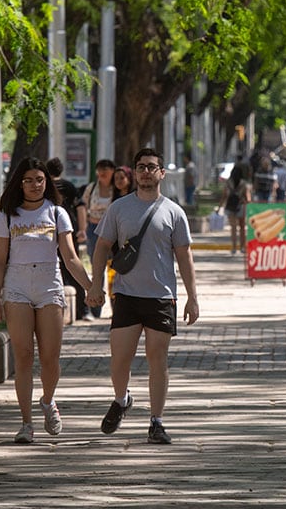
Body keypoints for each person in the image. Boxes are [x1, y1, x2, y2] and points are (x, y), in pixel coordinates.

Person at [87, 147, 199, 445]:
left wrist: (192, 297)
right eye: (141, 167)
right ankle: (122, 399)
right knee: (119, 360)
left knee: (157, 359)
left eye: (151, 167)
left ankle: (157, 421)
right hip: (125, 294)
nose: (146, 172)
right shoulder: (119, 208)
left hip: (161, 297)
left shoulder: (174, 212)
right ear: (134, 173)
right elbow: (101, 247)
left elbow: (185, 257)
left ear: (162, 172)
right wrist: (95, 284)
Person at [0, 156, 94, 444]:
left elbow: (70, 257)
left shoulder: (58, 213)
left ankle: (48, 401)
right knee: (23, 357)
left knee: (50, 357)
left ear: (47, 182)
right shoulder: (7, 216)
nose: (34, 185)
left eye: (39, 180)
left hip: (49, 284)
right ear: (19, 184)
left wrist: (89, 287)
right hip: (17, 286)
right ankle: (26, 424)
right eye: (28, 180)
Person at [75, 158, 117, 320]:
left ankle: (116, 306)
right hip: (94, 230)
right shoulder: (92, 188)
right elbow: (83, 206)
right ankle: (96, 307)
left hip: (112, 231)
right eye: (99, 173)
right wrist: (83, 228)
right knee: (97, 266)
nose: (102, 176)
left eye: (105, 173)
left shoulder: (117, 190)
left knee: (115, 268)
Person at [46, 157, 87, 321]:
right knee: (73, 265)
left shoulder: (45, 187)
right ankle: (82, 310)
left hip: (48, 231)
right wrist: (82, 229)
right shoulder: (69, 186)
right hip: (69, 230)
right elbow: (81, 207)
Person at [222, 161, 251, 256]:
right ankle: (242, 247)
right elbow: (247, 198)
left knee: (233, 228)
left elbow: (225, 195)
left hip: (230, 207)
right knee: (242, 228)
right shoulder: (244, 184)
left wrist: (219, 207)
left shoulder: (228, 182)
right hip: (240, 207)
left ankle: (234, 247)